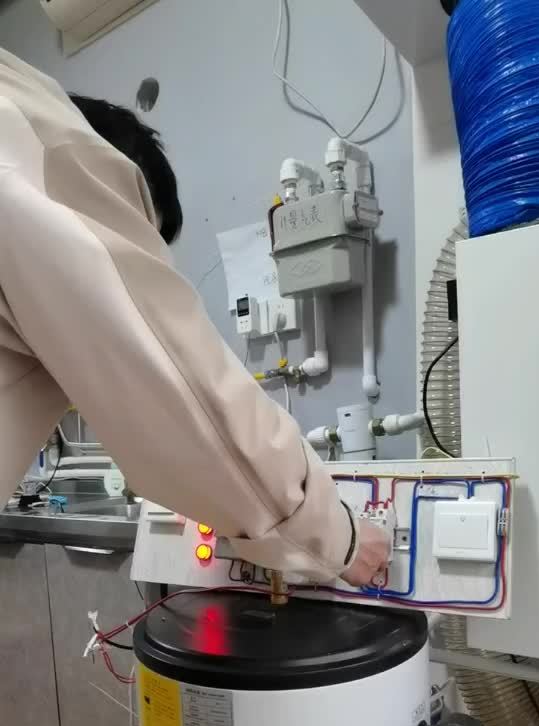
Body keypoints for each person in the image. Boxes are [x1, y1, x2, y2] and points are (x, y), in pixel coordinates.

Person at [0, 48, 389, 586]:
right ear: (108, 177)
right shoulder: (42, 142)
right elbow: (174, 383)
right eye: (135, 235)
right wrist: (338, 536)